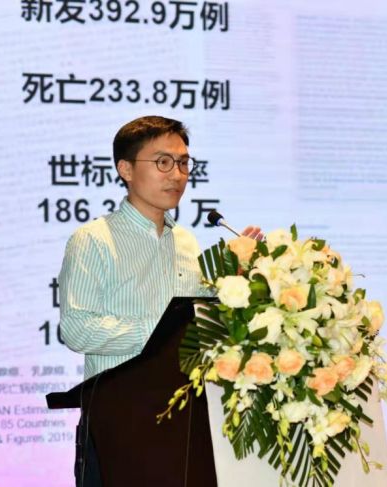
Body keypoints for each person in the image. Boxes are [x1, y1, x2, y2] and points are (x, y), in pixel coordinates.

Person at [57, 115, 261, 486]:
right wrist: (164, 331)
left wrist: (235, 279)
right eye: (163, 162)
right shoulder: (94, 239)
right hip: (119, 420)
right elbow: (77, 328)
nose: (177, 174)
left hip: (186, 419)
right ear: (125, 169)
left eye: (183, 163)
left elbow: (196, 320)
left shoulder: (185, 241)